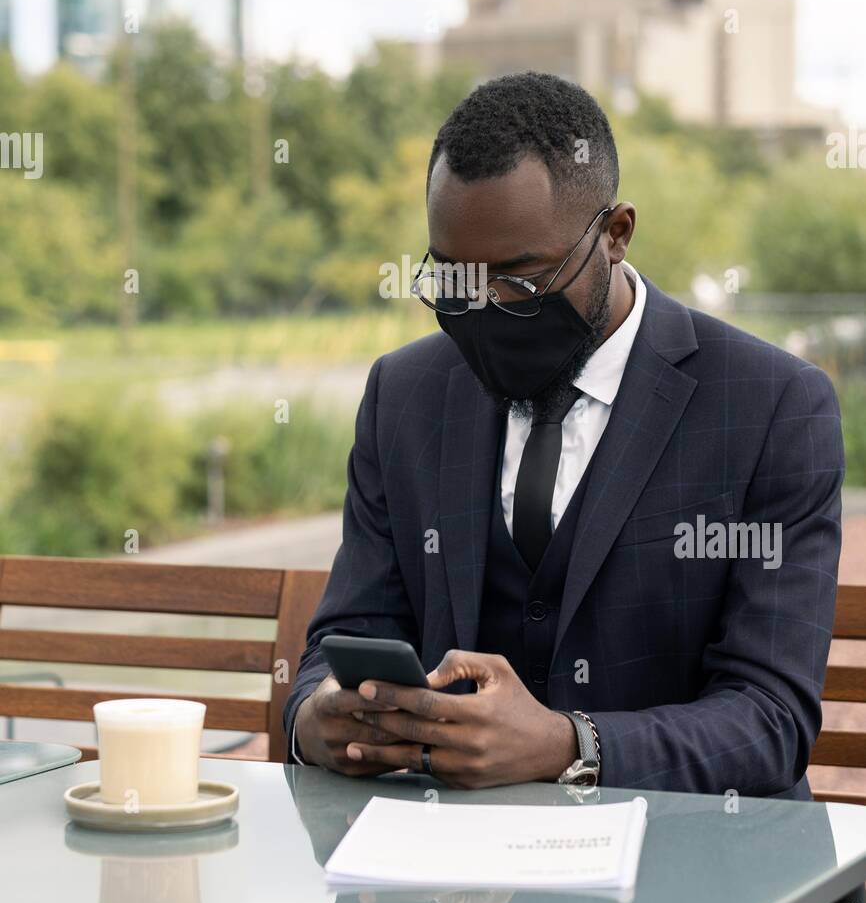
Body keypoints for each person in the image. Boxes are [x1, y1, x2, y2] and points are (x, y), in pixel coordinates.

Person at [283, 71, 843, 803]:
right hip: (448, 880)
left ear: (615, 235)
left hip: (686, 873)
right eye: (454, 280)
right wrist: (318, 720)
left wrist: (567, 746)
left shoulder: (773, 408)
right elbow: (335, 647)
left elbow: (770, 720)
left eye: (518, 281)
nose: (481, 308)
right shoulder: (406, 396)